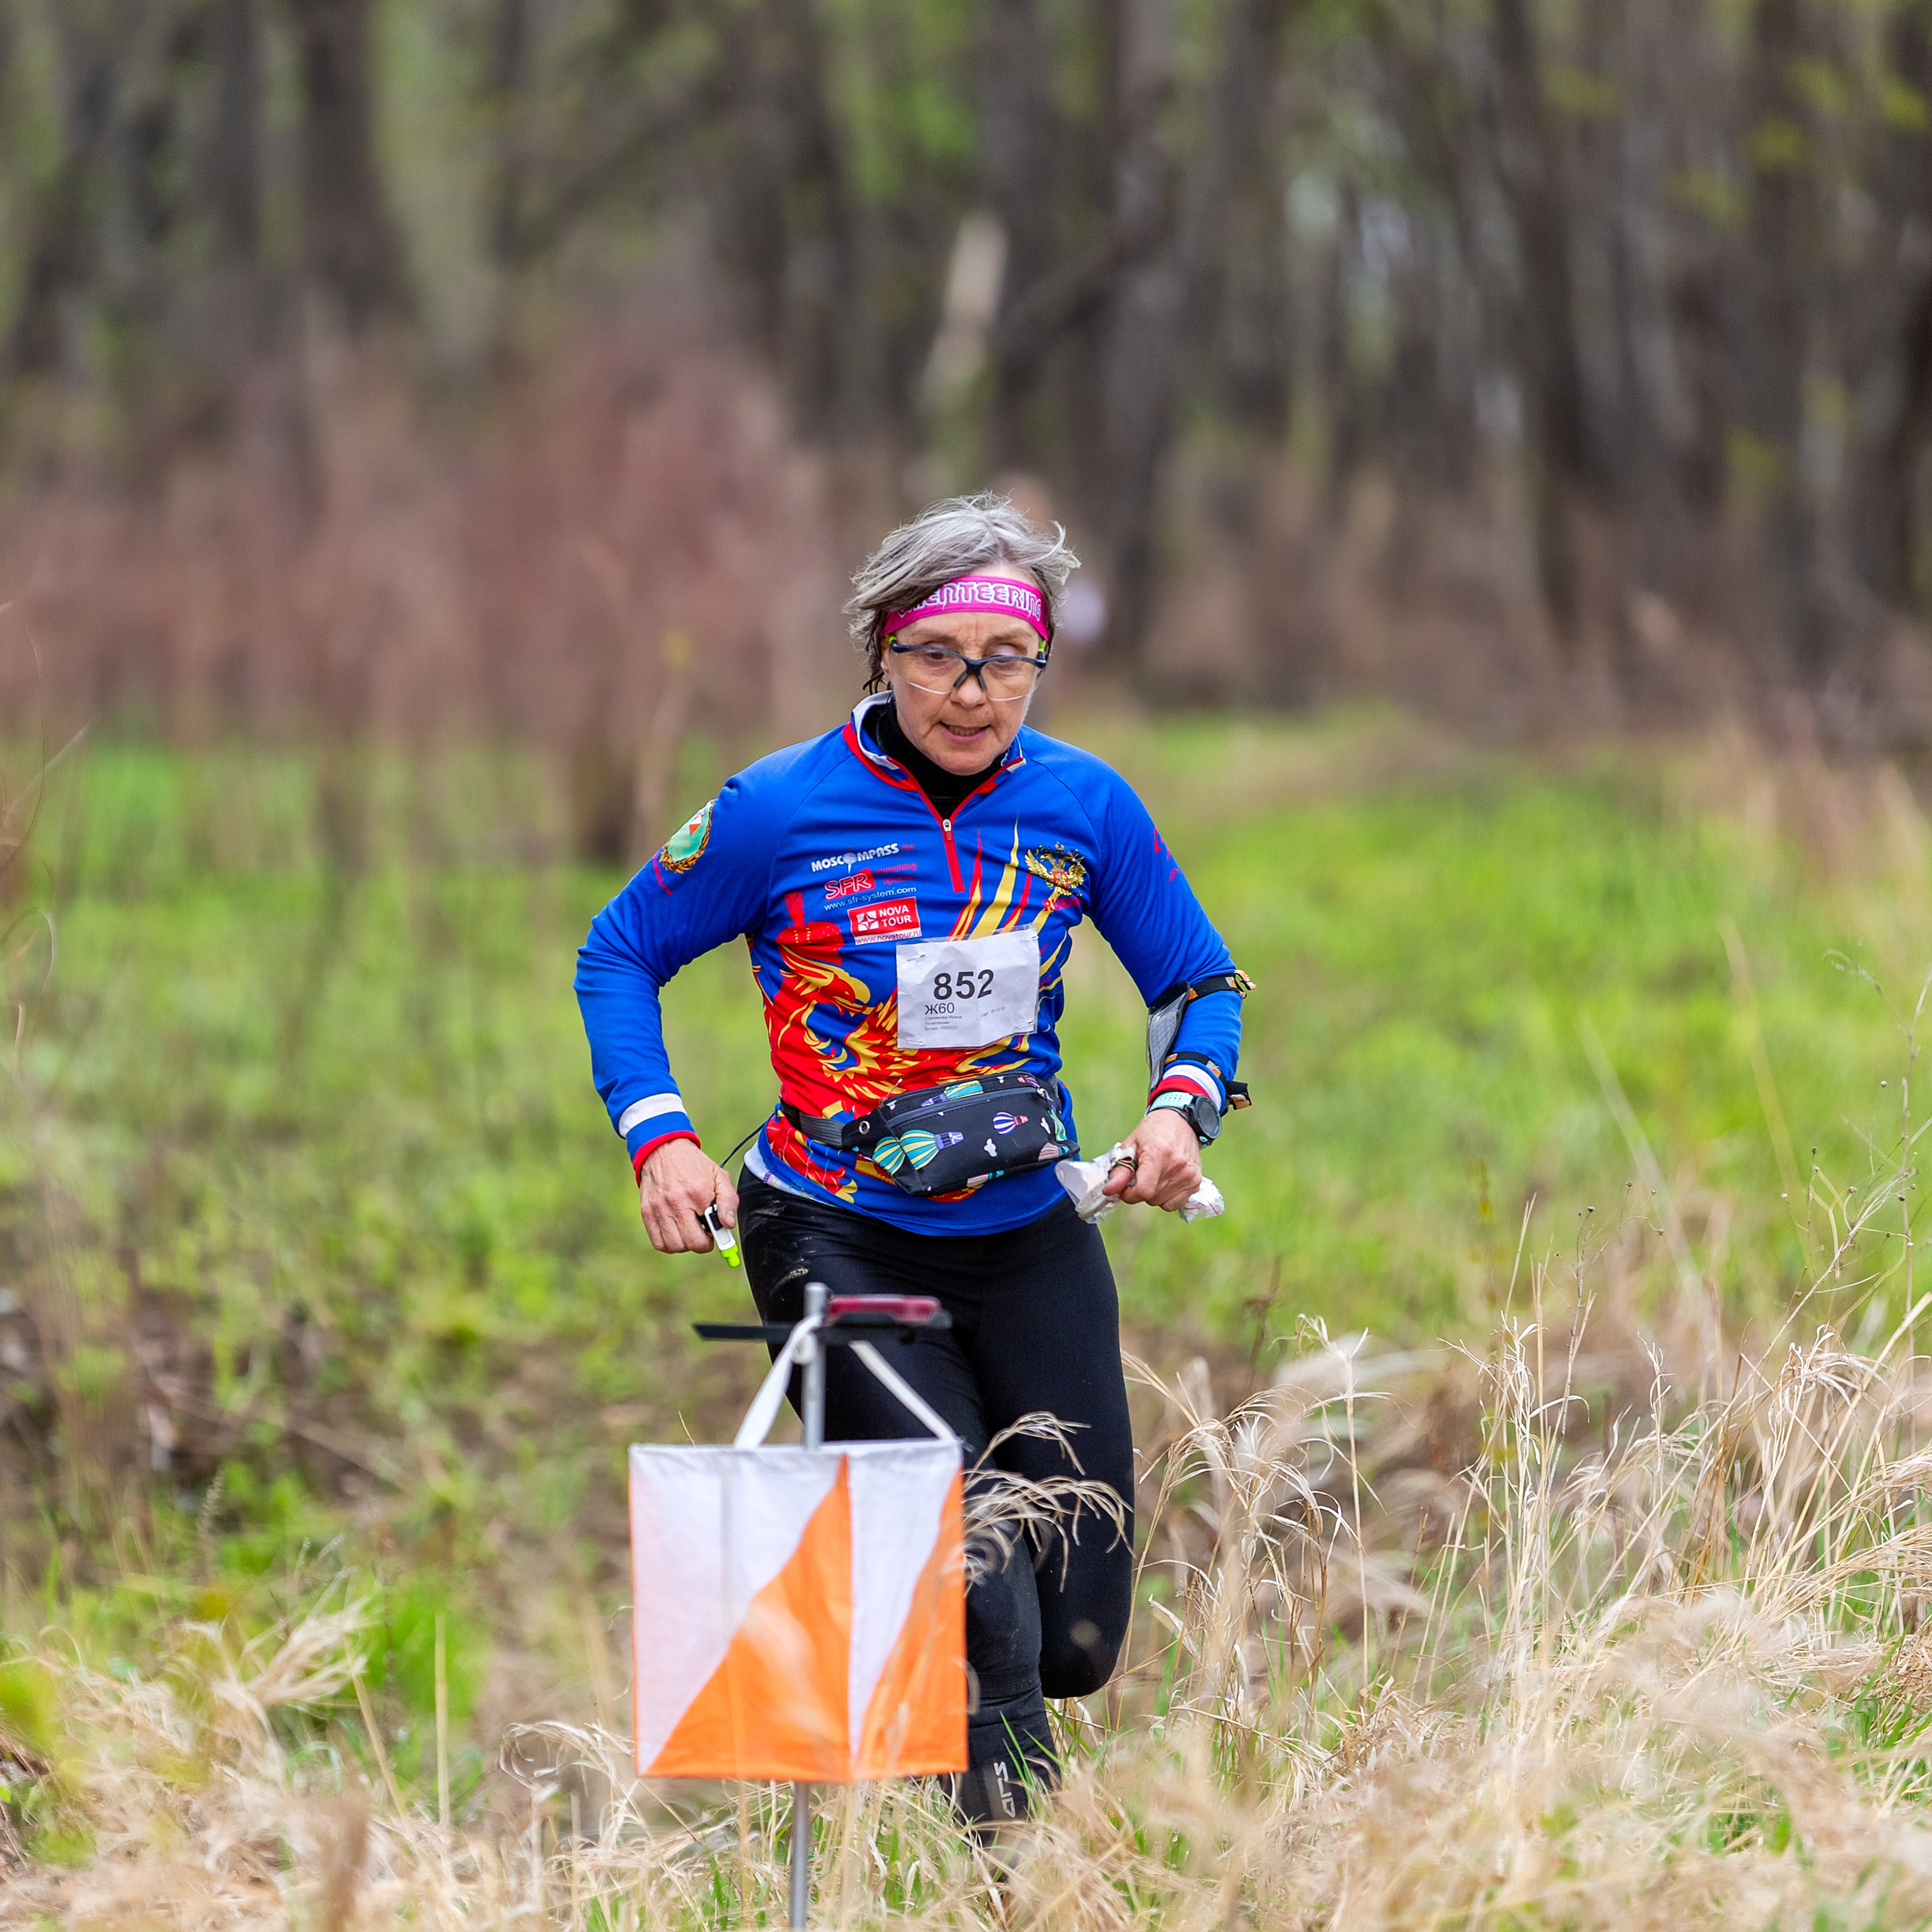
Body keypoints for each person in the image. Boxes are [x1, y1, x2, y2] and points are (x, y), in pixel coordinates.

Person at [575, 494, 1248, 1826]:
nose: (972, 690)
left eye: (1007, 661)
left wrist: (1181, 1108)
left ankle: (952, 1739)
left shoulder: (1082, 803)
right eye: (939, 654)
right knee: (974, 1573)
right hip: (832, 1229)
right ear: (881, 647)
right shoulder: (779, 809)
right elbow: (618, 952)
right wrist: (658, 1136)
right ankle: (1028, 1886)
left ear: (1041, 664)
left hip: (1023, 1224)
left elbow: (1201, 981)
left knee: (1072, 1636)